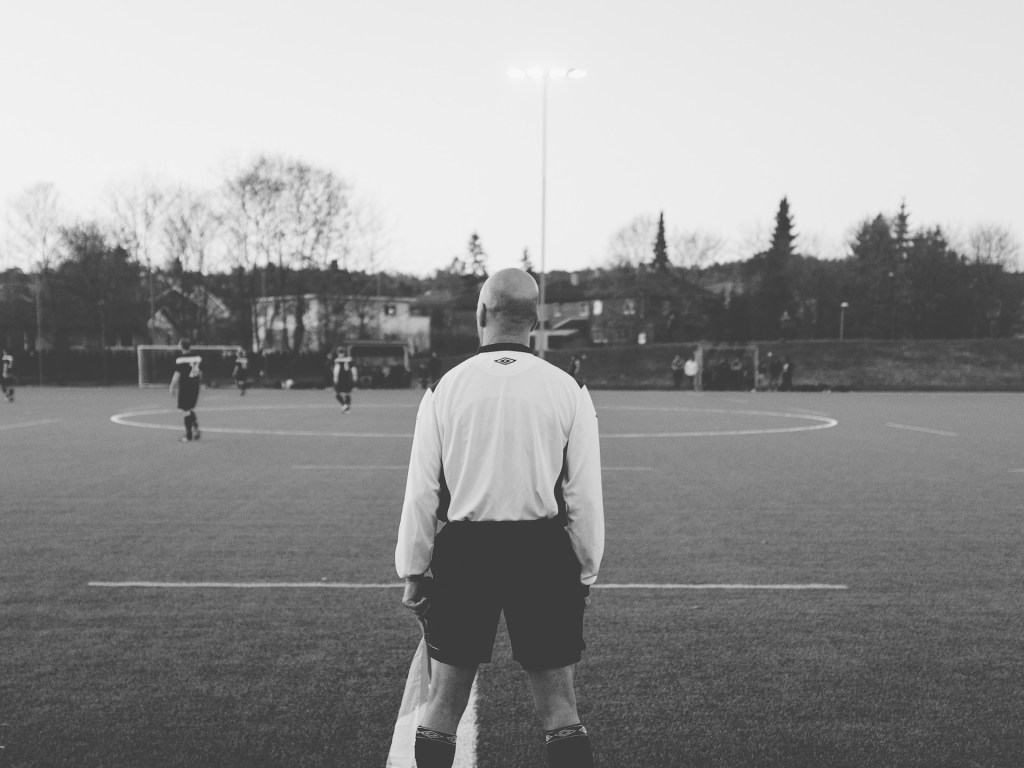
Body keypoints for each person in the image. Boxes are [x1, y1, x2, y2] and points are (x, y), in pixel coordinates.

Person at [396, 268, 604, 768]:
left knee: (443, 705)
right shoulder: (569, 389)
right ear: (536, 319)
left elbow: (422, 491)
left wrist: (413, 570)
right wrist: (585, 570)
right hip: (543, 554)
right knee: (560, 707)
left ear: (481, 312)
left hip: (466, 555)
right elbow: (583, 495)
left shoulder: (444, 389)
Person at [169, 339, 202, 442]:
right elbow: (200, 372)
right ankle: (195, 428)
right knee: (189, 409)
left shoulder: (181, 359)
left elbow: (177, 374)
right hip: (195, 386)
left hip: (185, 387)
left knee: (185, 410)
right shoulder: (197, 358)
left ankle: (188, 435)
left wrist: (172, 386)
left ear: (181, 346)